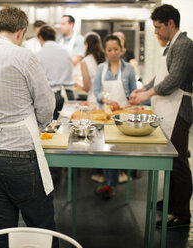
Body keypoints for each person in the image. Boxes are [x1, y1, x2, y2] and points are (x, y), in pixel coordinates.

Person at [0, 6, 58, 247]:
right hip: (21, 155)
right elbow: (47, 106)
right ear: (21, 32)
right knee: (42, 227)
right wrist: (35, 124)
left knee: (1, 230)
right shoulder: (24, 56)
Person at [129, 4, 193, 229]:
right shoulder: (171, 46)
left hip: (179, 109)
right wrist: (143, 88)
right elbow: (160, 77)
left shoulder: (185, 44)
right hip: (167, 109)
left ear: (170, 24)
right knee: (170, 158)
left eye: (158, 27)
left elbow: (174, 79)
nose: (155, 32)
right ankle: (172, 202)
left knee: (178, 162)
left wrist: (146, 94)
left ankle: (183, 215)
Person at [93, 35, 137, 198]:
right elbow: (96, 91)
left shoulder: (129, 69)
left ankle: (114, 181)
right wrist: (105, 100)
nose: (113, 53)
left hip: (122, 115)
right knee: (105, 150)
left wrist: (133, 100)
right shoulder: (100, 69)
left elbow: (133, 91)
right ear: (105, 51)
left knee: (118, 149)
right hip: (104, 115)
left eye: (116, 49)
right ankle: (109, 183)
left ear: (121, 50)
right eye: (109, 50)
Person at [37, 25, 74, 120]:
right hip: (69, 95)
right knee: (67, 127)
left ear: (40, 38)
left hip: (52, 95)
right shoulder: (66, 51)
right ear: (55, 37)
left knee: (51, 128)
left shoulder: (39, 54)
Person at [80, 32, 105, 103]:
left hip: (93, 100)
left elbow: (87, 87)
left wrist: (78, 86)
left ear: (86, 44)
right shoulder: (106, 58)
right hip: (108, 99)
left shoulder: (85, 61)